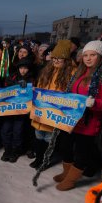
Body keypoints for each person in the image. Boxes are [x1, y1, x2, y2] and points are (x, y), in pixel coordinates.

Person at [55, 41, 102, 191]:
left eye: (92, 55)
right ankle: (66, 172)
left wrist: (95, 103)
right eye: (85, 55)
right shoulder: (80, 72)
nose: (88, 58)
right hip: (72, 119)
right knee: (65, 146)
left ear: (101, 56)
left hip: (89, 122)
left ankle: (71, 180)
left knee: (81, 152)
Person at [29, 40, 74, 170]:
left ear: (65, 58)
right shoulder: (47, 70)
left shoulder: (71, 73)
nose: (56, 61)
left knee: (49, 138)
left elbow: (69, 94)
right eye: (54, 58)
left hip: (54, 113)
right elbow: (40, 86)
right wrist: (35, 91)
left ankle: (45, 160)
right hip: (41, 110)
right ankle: (38, 158)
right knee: (38, 136)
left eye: (59, 58)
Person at [1, 58, 34, 162]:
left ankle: (15, 151)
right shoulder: (12, 76)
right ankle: (7, 150)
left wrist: (28, 88)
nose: (23, 70)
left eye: (25, 68)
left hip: (21, 113)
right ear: (18, 68)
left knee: (18, 132)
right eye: (21, 68)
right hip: (9, 110)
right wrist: (16, 85)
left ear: (28, 69)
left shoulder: (32, 79)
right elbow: (5, 88)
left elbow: (33, 93)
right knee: (6, 130)